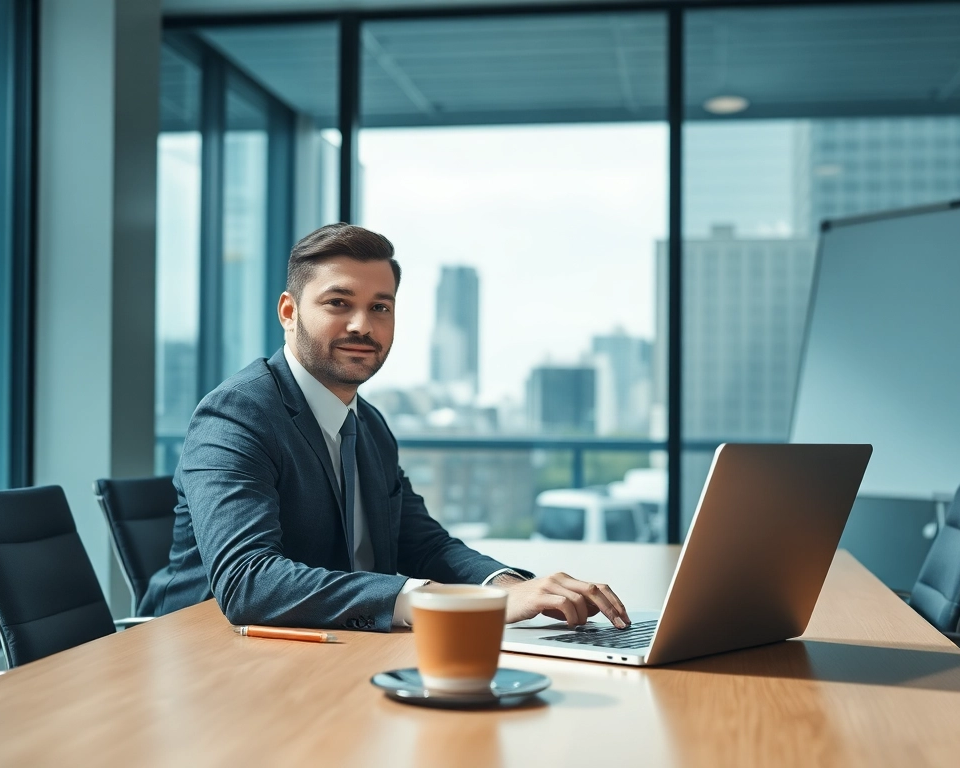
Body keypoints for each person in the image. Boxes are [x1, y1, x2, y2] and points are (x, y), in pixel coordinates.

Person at [140, 223, 631, 632]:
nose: (363, 325)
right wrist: (445, 601)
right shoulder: (236, 415)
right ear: (289, 313)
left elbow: (424, 543)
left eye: (380, 307)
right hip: (204, 656)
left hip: (328, 649)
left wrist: (508, 588)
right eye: (338, 303)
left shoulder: (368, 424)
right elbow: (250, 582)